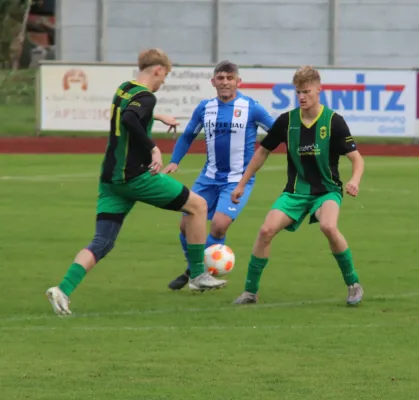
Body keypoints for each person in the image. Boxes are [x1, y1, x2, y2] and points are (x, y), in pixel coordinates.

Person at [46, 48, 227, 316]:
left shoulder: (124, 89)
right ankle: (198, 275)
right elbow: (132, 118)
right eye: (164, 75)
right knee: (197, 206)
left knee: (102, 242)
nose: (163, 81)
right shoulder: (146, 96)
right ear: (157, 70)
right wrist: (153, 147)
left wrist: (157, 117)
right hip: (135, 177)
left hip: (110, 180)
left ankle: (62, 290)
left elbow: (129, 112)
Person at [231, 65, 365, 306]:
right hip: (294, 192)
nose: (302, 97)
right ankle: (250, 292)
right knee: (265, 231)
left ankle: (353, 284)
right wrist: (242, 183)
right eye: (298, 92)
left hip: (326, 191)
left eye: (307, 92)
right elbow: (262, 152)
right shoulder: (286, 121)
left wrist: (354, 181)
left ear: (318, 90)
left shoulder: (334, 121)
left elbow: (357, 159)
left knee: (328, 227)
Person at [163, 60, 274, 290]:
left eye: (229, 78)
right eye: (220, 78)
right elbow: (187, 137)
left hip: (237, 179)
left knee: (219, 226)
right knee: (185, 225)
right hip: (208, 177)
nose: (225, 82)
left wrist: (263, 148)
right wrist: (174, 161)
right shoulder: (205, 108)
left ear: (238, 81)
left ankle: (196, 272)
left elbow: (276, 131)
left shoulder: (251, 107)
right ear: (213, 81)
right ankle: (196, 270)